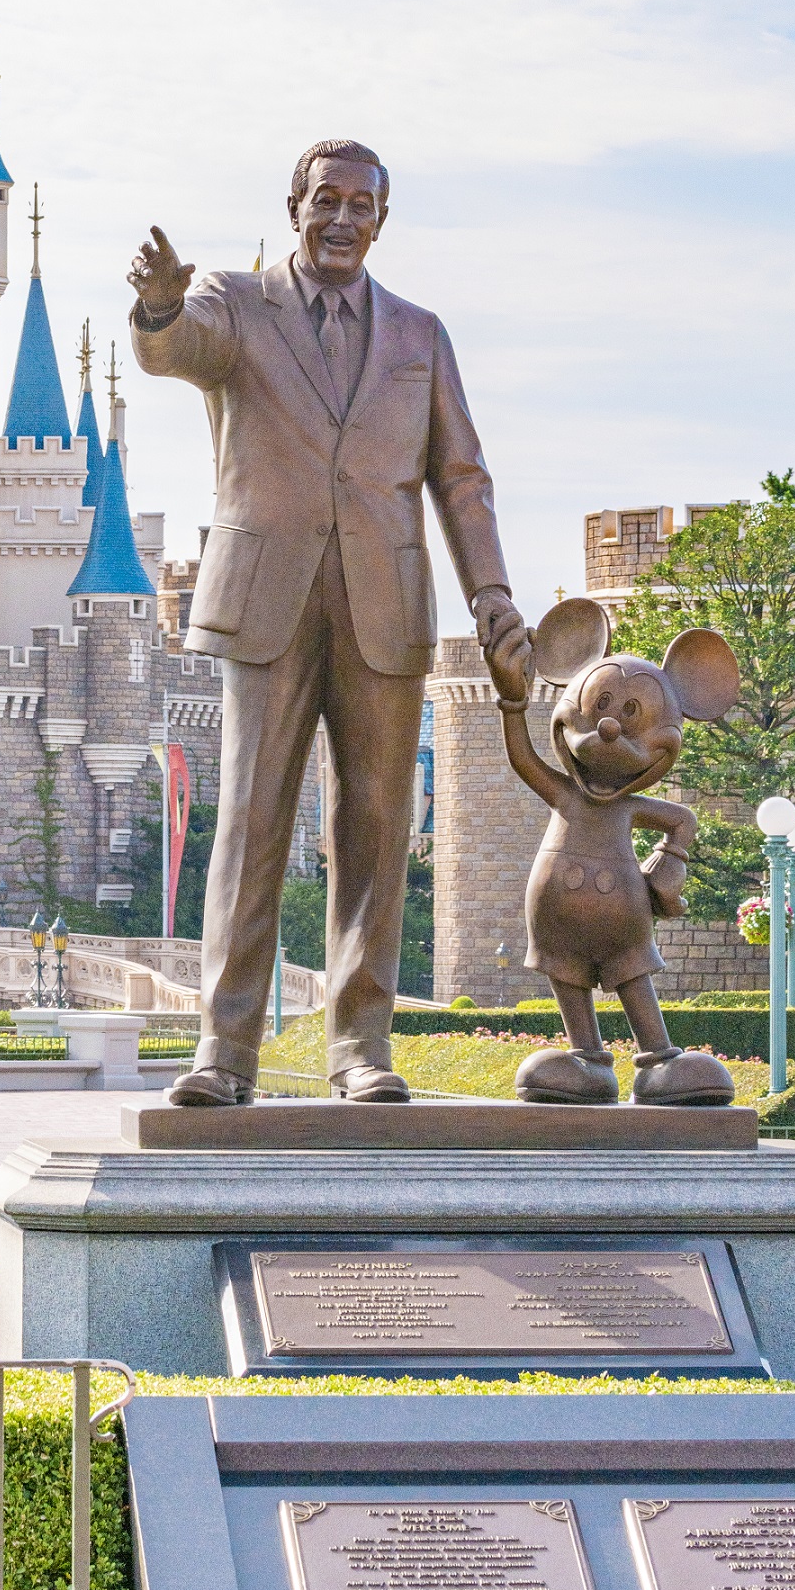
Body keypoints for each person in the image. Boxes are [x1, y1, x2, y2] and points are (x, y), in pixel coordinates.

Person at [129, 139, 530, 1103]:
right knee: (253, 822)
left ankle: (360, 1051)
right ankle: (224, 1057)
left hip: (385, 607)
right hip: (265, 602)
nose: (343, 218)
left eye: (361, 204)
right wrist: (157, 307)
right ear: (296, 205)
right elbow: (176, 349)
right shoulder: (233, 301)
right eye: (326, 201)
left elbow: (460, 478)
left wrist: (493, 595)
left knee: (377, 827)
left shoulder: (420, 335)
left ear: (382, 220)